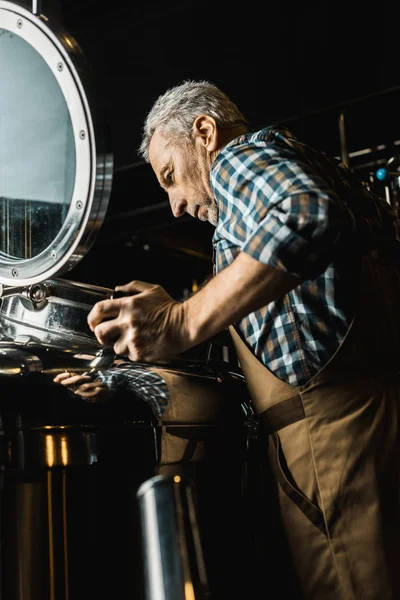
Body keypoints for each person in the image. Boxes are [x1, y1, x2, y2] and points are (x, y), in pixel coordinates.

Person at [55, 80, 400, 599]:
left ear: (205, 132)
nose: (173, 205)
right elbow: (279, 340)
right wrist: (135, 368)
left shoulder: (242, 158)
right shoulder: (301, 175)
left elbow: (307, 213)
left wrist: (180, 322)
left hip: (335, 445)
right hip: (360, 431)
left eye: (170, 176)